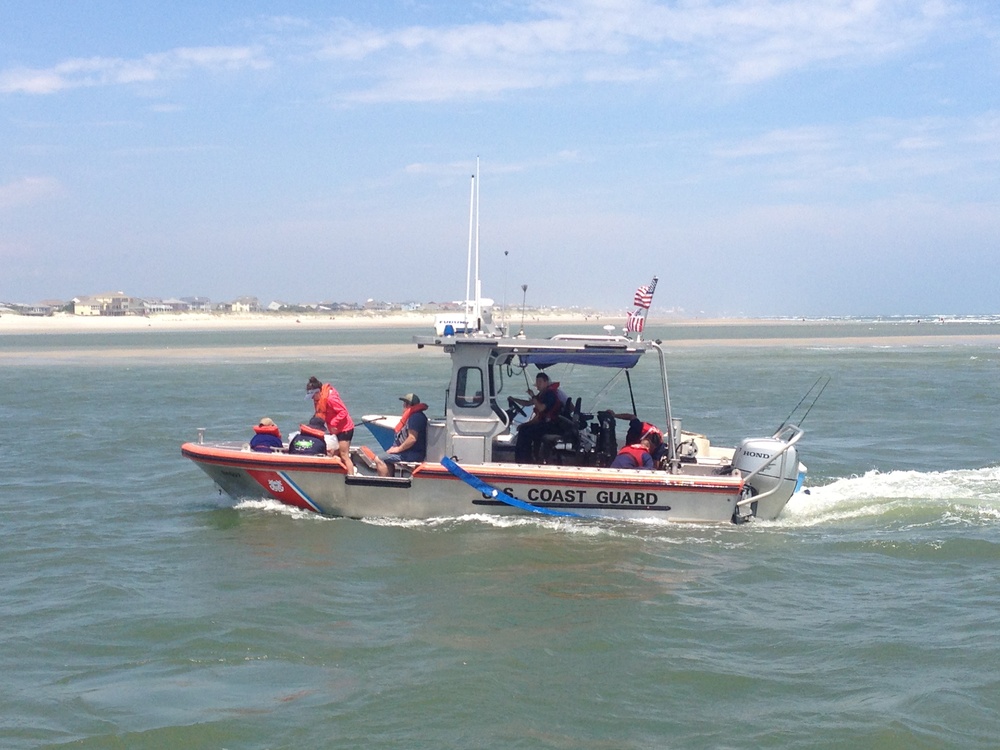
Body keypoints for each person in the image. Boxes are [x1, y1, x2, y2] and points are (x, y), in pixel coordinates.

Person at [306, 375, 355, 474]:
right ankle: (339, 472)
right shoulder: (319, 400)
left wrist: (333, 423)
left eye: (313, 396)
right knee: (333, 452)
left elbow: (343, 412)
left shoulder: (331, 399)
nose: (312, 399)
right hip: (335, 430)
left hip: (345, 429)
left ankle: (352, 477)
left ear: (318, 392)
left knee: (344, 454)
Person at [514, 372, 565, 463]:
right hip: (544, 423)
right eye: (537, 382)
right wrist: (514, 399)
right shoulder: (542, 394)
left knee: (525, 431)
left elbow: (541, 408)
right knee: (524, 428)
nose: (537, 384)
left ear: (546, 382)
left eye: (540, 382)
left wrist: (533, 396)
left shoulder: (550, 394)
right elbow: (528, 403)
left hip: (551, 425)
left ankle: (524, 459)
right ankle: (525, 457)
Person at [374, 393, 429, 476]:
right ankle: (390, 482)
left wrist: (398, 449)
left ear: (407, 405)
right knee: (387, 457)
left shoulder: (415, 418)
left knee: (379, 459)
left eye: (404, 404)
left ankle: (385, 484)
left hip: (413, 454)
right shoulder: (415, 416)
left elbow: (412, 438)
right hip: (410, 452)